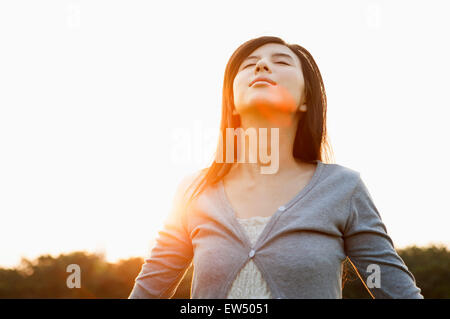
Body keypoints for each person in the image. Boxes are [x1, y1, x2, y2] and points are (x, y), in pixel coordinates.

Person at [128, 36, 424, 299]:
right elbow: (148, 292)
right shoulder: (193, 191)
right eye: (249, 64)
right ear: (231, 101)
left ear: (306, 99)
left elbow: (397, 291)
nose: (261, 67)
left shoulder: (343, 188)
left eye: (280, 61)